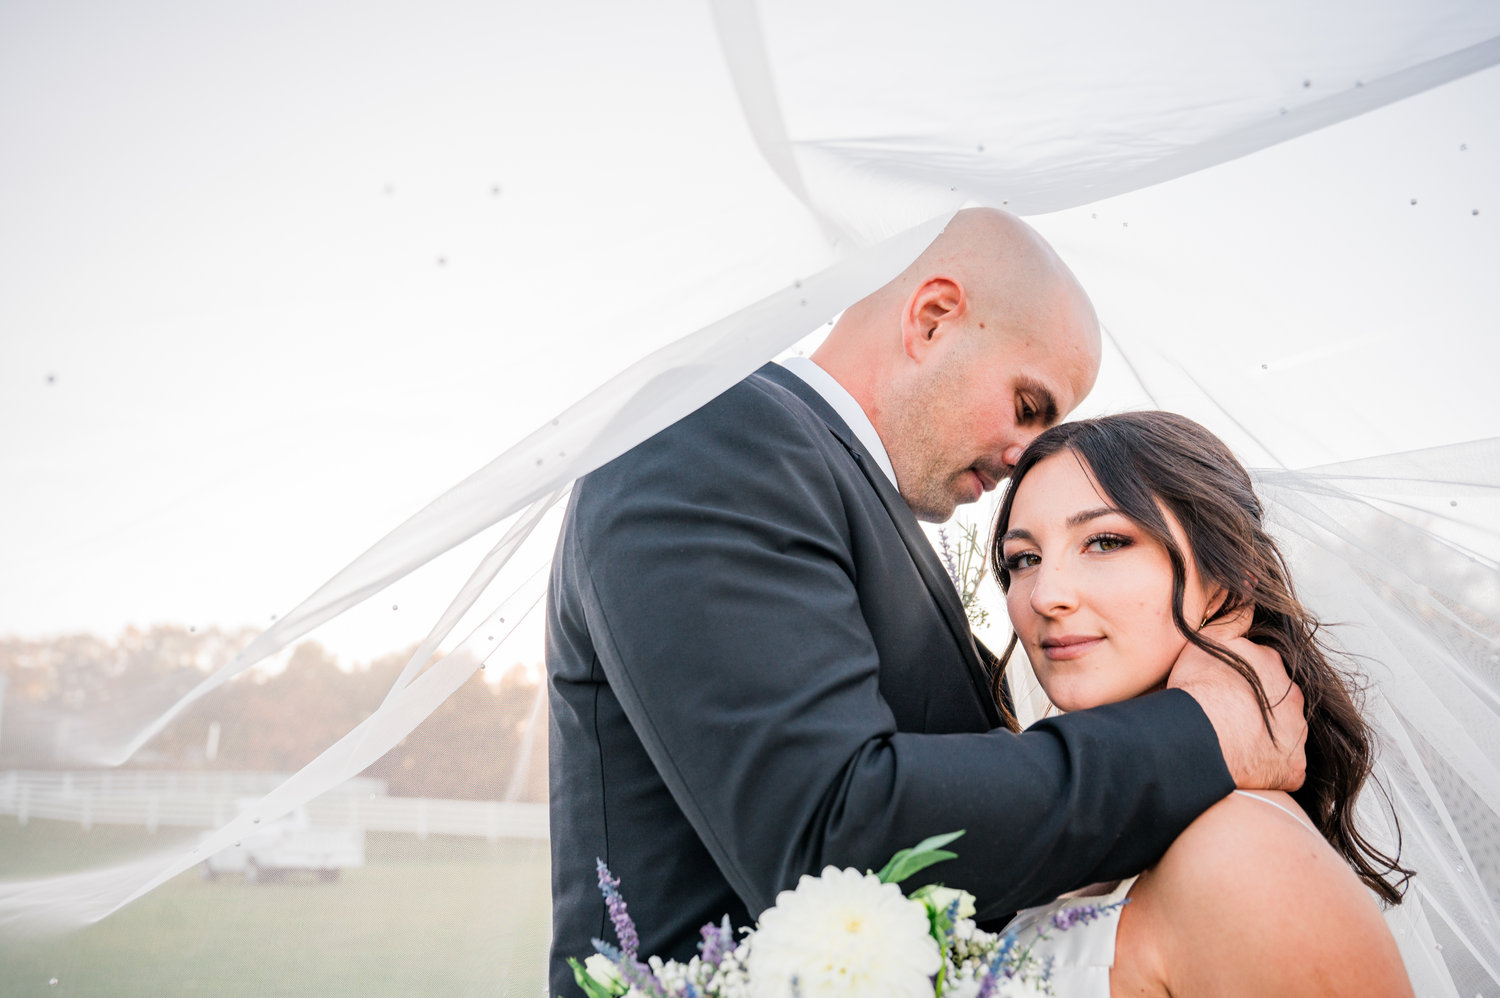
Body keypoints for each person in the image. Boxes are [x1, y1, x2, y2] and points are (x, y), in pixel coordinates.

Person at [544, 208, 1307, 996]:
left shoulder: (843, 495)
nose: (1025, 457)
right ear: (934, 317)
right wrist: (1199, 732)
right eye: (1028, 405)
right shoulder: (710, 436)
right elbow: (832, 836)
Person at [993, 410, 1414, 996]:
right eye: (1024, 559)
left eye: (1106, 542)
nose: (1046, 595)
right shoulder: (1080, 830)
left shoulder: (1246, 854)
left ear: (1229, 578)